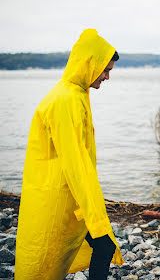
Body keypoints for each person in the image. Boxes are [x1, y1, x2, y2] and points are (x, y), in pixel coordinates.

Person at [16, 29, 124, 280]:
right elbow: (77, 164)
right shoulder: (67, 101)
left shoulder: (73, 94)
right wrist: (97, 222)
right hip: (56, 200)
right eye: (105, 69)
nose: (107, 77)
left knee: (97, 248)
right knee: (97, 247)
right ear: (90, 64)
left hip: (64, 195)